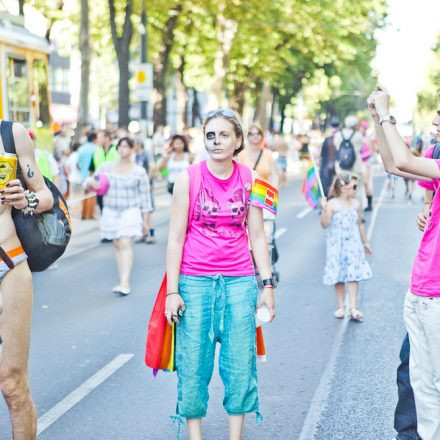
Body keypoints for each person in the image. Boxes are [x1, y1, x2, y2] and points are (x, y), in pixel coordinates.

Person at [165, 109, 275, 439]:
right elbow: (175, 237)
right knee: (193, 365)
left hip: (240, 282)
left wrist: (266, 284)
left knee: (240, 365)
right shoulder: (188, 178)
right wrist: (173, 290)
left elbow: (257, 235)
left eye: (224, 134)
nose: (216, 141)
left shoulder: (252, 180)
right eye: (210, 135)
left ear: (238, 140)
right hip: (194, 282)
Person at [368, 86, 440, 440]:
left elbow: (407, 162)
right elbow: (393, 164)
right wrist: (377, 120)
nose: (436, 118)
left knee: (432, 391)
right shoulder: (437, 153)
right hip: (423, 288)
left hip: (436, 294)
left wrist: (387, 115)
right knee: (414, 377)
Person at [0, 121, 53, 439]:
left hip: (9, 263)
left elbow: (45, 195)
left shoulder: (11, 134)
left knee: (12, 382)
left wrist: (25, 200)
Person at [88, 137, 152, 295]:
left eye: (126, 146)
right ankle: (122, 279)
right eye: (120, 146)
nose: (123, 149)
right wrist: (92, 184)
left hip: (131, 210)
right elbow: (90, 181)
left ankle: (125, 282)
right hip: (110, 210)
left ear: (132, 149)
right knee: (117, 243)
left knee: (125, 242)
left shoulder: (139, 171)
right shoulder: (106, 167)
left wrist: (146, 221)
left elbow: (146, 198)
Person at [320, 174, 372, 321]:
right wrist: (325, 209)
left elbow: (360, 224)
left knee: (354, 275)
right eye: (354, 187)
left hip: (353, 245)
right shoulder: (332, 204)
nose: (356, 190)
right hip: (336, 246)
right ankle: (341, 306)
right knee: (339, 275)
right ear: (344, 188)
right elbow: (324, 224)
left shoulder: (356, 203)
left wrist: (366, 242)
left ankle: (353, 307)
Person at [134, 137, 156, 243]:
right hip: (136, 188)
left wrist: (147, 181)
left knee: (148, 210)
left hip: (146, 187)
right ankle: (143, 233)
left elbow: (152, 167)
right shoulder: (134, 156)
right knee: (140, 212)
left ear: (138, 145)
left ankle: (151, 235)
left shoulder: (146, 154)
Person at [92, 129, 119, 212]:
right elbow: (93, 169)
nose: (98, 140)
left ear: (107, 138)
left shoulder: (117, 150)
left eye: (100, 137)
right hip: (100, 187)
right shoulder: (97, 152)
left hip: (113, 187)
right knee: (102, 211)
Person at [77, 132, 98, 220]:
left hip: (83, 174)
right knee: (92, 194)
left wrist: (82, 171)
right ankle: (91, 214)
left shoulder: (81, 148)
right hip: (92, 174)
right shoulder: (95, 148)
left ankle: (83, 213)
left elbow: (78, 164)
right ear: (94, 139)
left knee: (85, 194)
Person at [320, 118, 340, 197]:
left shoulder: (327, 139)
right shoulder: (342, 138)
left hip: (327, 165)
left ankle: (328, 200)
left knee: (327, 185)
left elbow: (322, 155)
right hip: (338, 164)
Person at [359, 119, 376, 211]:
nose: (363, 129)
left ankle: (369, 204)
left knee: (367, 183)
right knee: (360, 184)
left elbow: (373, 151)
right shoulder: (358, 137)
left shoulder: (369, 138)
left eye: (364, 127)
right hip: (360, 163)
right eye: (362, 127)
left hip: (367, 163)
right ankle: (364, 203)